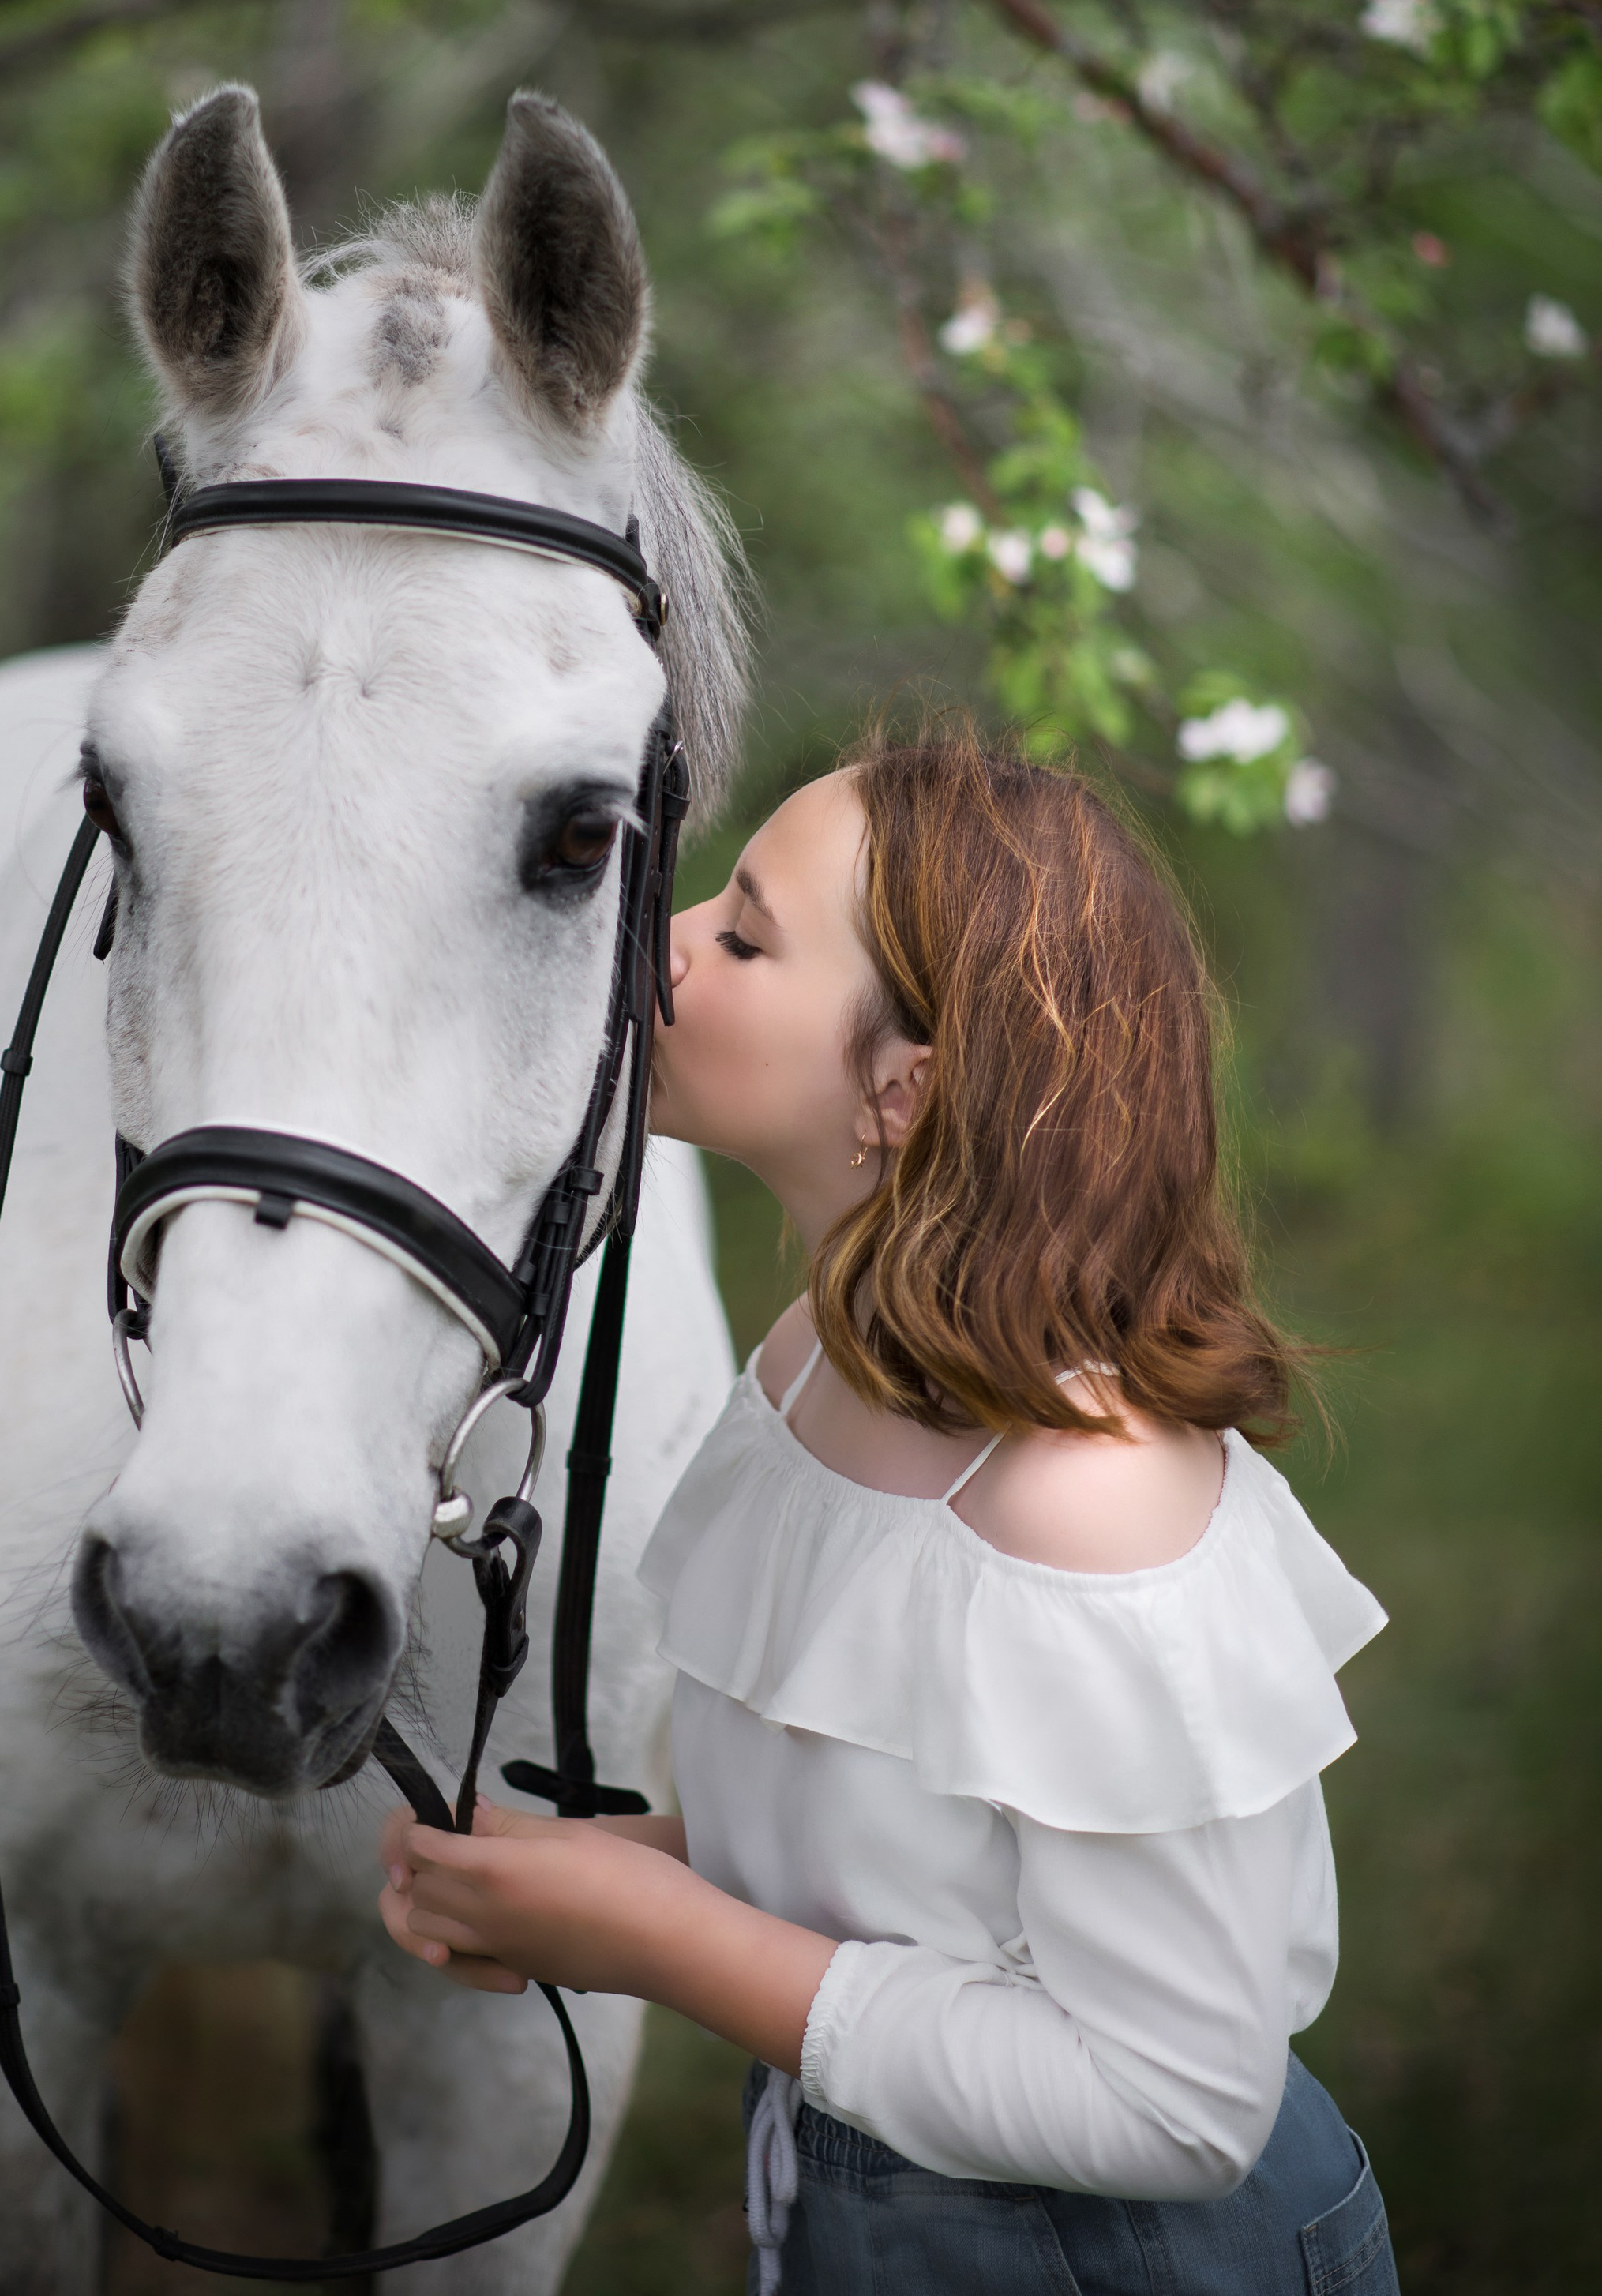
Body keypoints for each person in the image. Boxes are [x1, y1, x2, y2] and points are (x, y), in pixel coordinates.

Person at [379, 725, 1397, 2294]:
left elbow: (1173, 2101)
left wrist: (663, 1944)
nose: (662, 944)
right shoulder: (812, 1362)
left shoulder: (1083, 1518)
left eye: (741, 934)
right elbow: (916, 1874)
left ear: (901, 1089)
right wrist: (614, 1877)